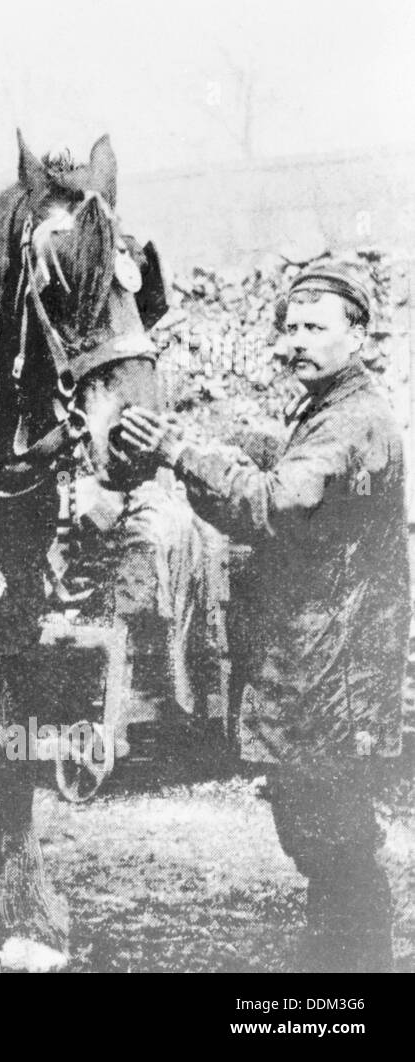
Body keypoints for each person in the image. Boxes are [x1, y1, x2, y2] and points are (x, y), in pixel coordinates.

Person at [116, 262, 408, 972]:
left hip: (335, 665)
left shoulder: (356, 419)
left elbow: (279, 508)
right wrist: (188, 459)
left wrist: (180, 451)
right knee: (314, 824)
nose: (294, 342)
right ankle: (341, 956)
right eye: (289, 327)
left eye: (315, 328)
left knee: (331, 825)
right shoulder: (327, 409)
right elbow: (258, 508)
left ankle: (350, 972)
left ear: (358, 337)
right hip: (316, 656)